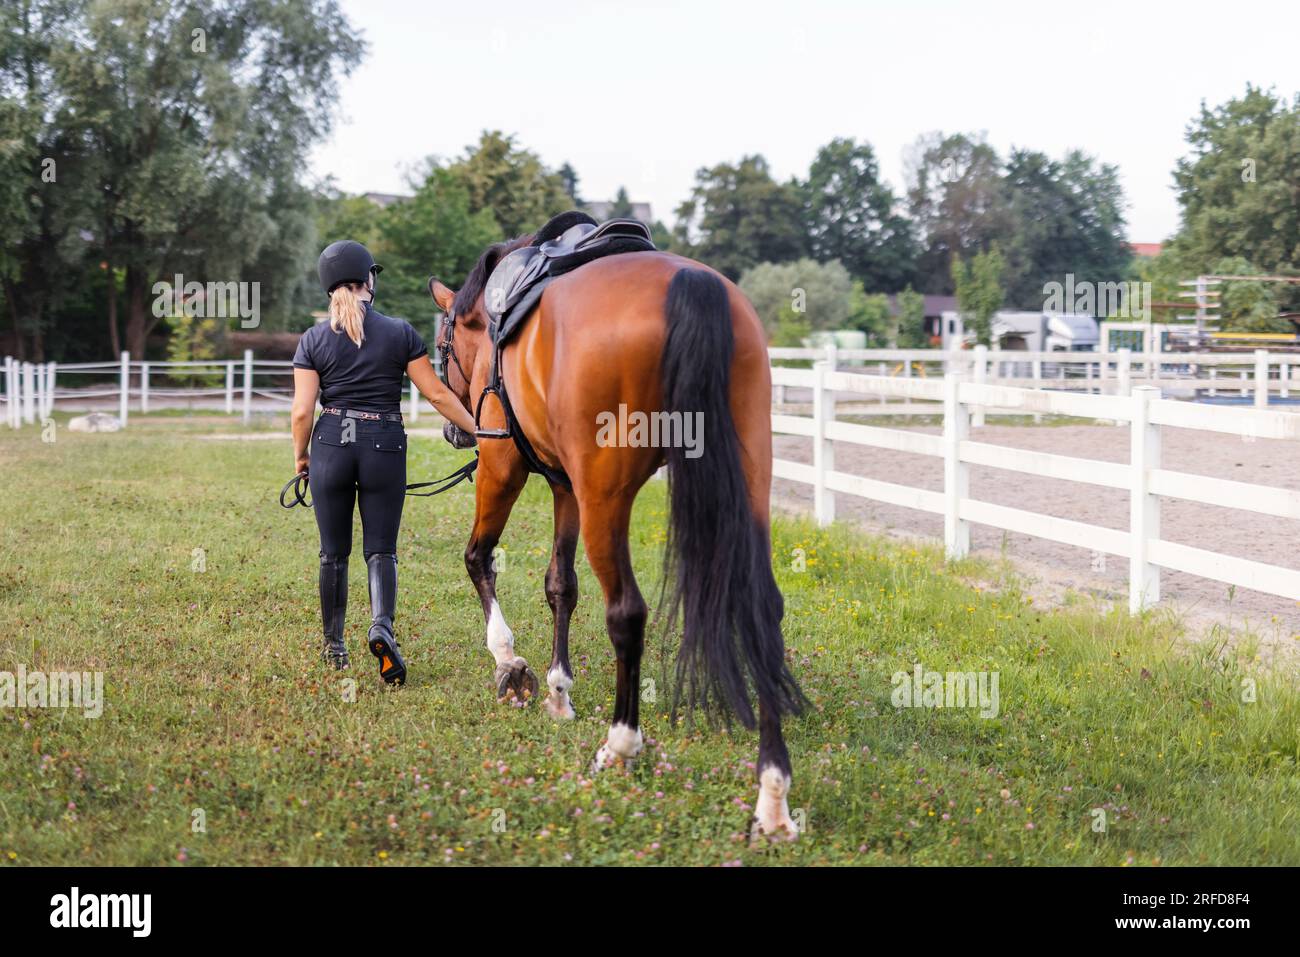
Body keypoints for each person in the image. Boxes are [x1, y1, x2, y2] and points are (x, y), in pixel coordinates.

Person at [291, 240, 478, 683]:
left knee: (333, 553)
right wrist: (481, 433)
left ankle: (334, 646)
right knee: (381, 550)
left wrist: (301, 456)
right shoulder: (399, 332)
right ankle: (381, 627)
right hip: (383, 443)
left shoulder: (313, 339)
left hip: (332, 443)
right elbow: (436, 394)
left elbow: (302, 411)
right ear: (368, 282)